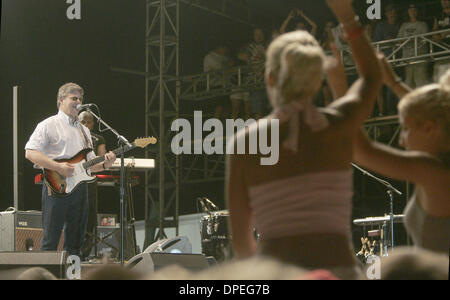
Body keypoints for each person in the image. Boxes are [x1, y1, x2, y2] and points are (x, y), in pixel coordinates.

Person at [226, 0, 382, 280]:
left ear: (270, 78)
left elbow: (241, 242)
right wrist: (347, 18)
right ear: (316, 81)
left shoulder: (244, 142)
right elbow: (372, 77)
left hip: (277, 273)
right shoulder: (338, 124)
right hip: (340, 269)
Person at [353, 56, 450, 255]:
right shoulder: (439, 162)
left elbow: (363, 152)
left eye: (405, 129)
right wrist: (393, 83)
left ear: (430, 129)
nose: (401, 140)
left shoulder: (433, 171)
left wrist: (344, 84)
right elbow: (428, 112)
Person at [25, 83, 116, 257]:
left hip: (80, 189)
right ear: (60, 100)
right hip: (56, 186)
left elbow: (89, 163)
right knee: (50, 240)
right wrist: (58, 166)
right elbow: (30, 152)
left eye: (80, 99)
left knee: (76, 241)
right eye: (74, 98)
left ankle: (72, 276)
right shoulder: (48, 124)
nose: (78, 102)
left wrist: (105, 163)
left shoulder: (84, 131)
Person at [78, 110, 107, 259]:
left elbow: (102, 159)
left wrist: (107, 159)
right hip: (73, 180)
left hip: (90, 179)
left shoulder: (98, 138)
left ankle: (85, 253)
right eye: (83, 121)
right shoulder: (73, 135)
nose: (86, 124)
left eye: (88, 122)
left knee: (90, 215)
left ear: (93, 124)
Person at [372, 4, 401, 115]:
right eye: (390, 12)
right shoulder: (381, 26)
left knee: (398, 86)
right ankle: (389, 112)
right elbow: (376, 43)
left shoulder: (400, 25)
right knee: (389, 89)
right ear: (386, 14)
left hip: (400, 60)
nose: (392, 14)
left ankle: (398, 111)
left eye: (393, 12)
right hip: (386, 62)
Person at [238, 28, 269, 119]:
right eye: (256, 34)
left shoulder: (268, 45)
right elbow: (240, 55)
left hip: (268, 81)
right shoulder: (249, 46)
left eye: (260, 34)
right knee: (257, 108)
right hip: (255, 81)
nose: (258, 36)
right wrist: (247, 57)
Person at [397, 3, 429, 89]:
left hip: (420, 57)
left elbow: (425, 40)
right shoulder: (404, 25)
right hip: (407, 59)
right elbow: (398, 40)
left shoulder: (422, 24)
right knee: (408, 84)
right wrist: (407, 40)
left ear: (417, 11)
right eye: (410, 9)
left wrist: (411, 40)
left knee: (420, 83)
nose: (412, 12)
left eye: (414, 9)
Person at [432, 0, 450, 83]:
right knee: (439, 82)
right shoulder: (438, 14)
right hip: (440, 53)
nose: (444, 2)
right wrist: (436, 35)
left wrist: (446, 32)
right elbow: (434, 30)